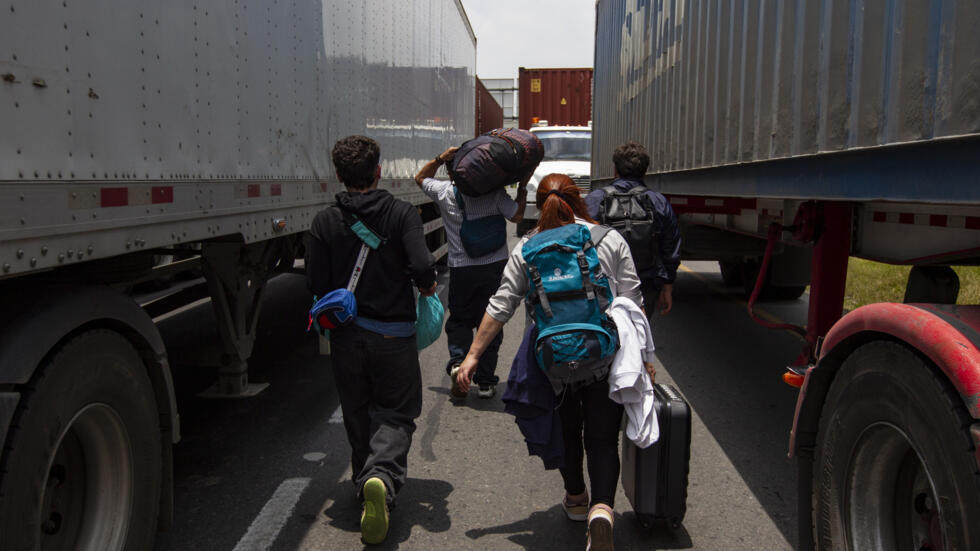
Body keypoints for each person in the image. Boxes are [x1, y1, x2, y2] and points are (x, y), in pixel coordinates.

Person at [455, 173, 655, 550]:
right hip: (603, 355)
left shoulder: (528, 247)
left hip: (553, 362)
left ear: (538, 204)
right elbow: (633, 302)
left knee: (567, 431)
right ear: (579, 200)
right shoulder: (609, 240)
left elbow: (502, 305)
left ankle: (577, 499)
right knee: (601, 437)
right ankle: (602, 509)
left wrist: (471, 356)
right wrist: (645, 357)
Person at [306, 135, 437, 545]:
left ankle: (365, 483)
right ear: (378, 171)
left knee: (357, 411)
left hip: (346, 336)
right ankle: (380, 476)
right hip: (393, 335)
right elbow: (422, 266)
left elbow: (315, 283)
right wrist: (426, 289)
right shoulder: (402, 214)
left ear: (339, 175)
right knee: (396, 413)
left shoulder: (324, 221)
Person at [414, 147, 529, 399]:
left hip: (461, 269)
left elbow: (420, 178)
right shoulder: (496, 195)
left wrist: (438, 157)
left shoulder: (445, 192)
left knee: (460, 321)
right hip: (494, 268)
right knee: (490, 322)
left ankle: (458, 364)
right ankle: (486, 382)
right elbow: (518, 215)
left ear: (452, 172)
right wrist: (521, 190)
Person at [585, 141, 681, 317]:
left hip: (602, 284)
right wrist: (667, 286)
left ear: (615, 169)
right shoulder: (658, 201)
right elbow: (671, 246)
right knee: (638, 334)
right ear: (645, 170)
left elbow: (579, 240)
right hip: (645, 283)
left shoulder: (595, 200)